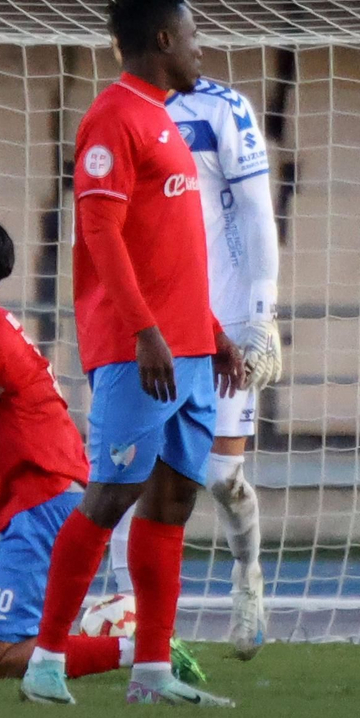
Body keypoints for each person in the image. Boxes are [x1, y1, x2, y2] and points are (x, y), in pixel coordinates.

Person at [18, 0, 244, 707]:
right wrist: (147, 333)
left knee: (174, 499)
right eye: (194, 33)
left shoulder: (165, 122)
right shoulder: (113, 118)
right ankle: (45, 660)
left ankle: (151, 673)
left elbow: (169, 251)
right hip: (136, 349)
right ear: (164, 41)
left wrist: (210, 334)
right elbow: (102, 235)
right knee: (111, 494)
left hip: (188, 349)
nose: (202, 46)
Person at [0, 216, 204, 686]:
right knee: (1, 651)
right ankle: (145, 649)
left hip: (43, 505)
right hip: (55, 496)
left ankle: (146, 649)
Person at [103, 71, 282, 660]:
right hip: (153, 319)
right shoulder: (120, 112)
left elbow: (257, 210)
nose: (197, 48)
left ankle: (247, 576)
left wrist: (259, 314)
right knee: (127, 478)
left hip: (222, 319)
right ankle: (138, 626)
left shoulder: (222, 108)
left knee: (219, 480)